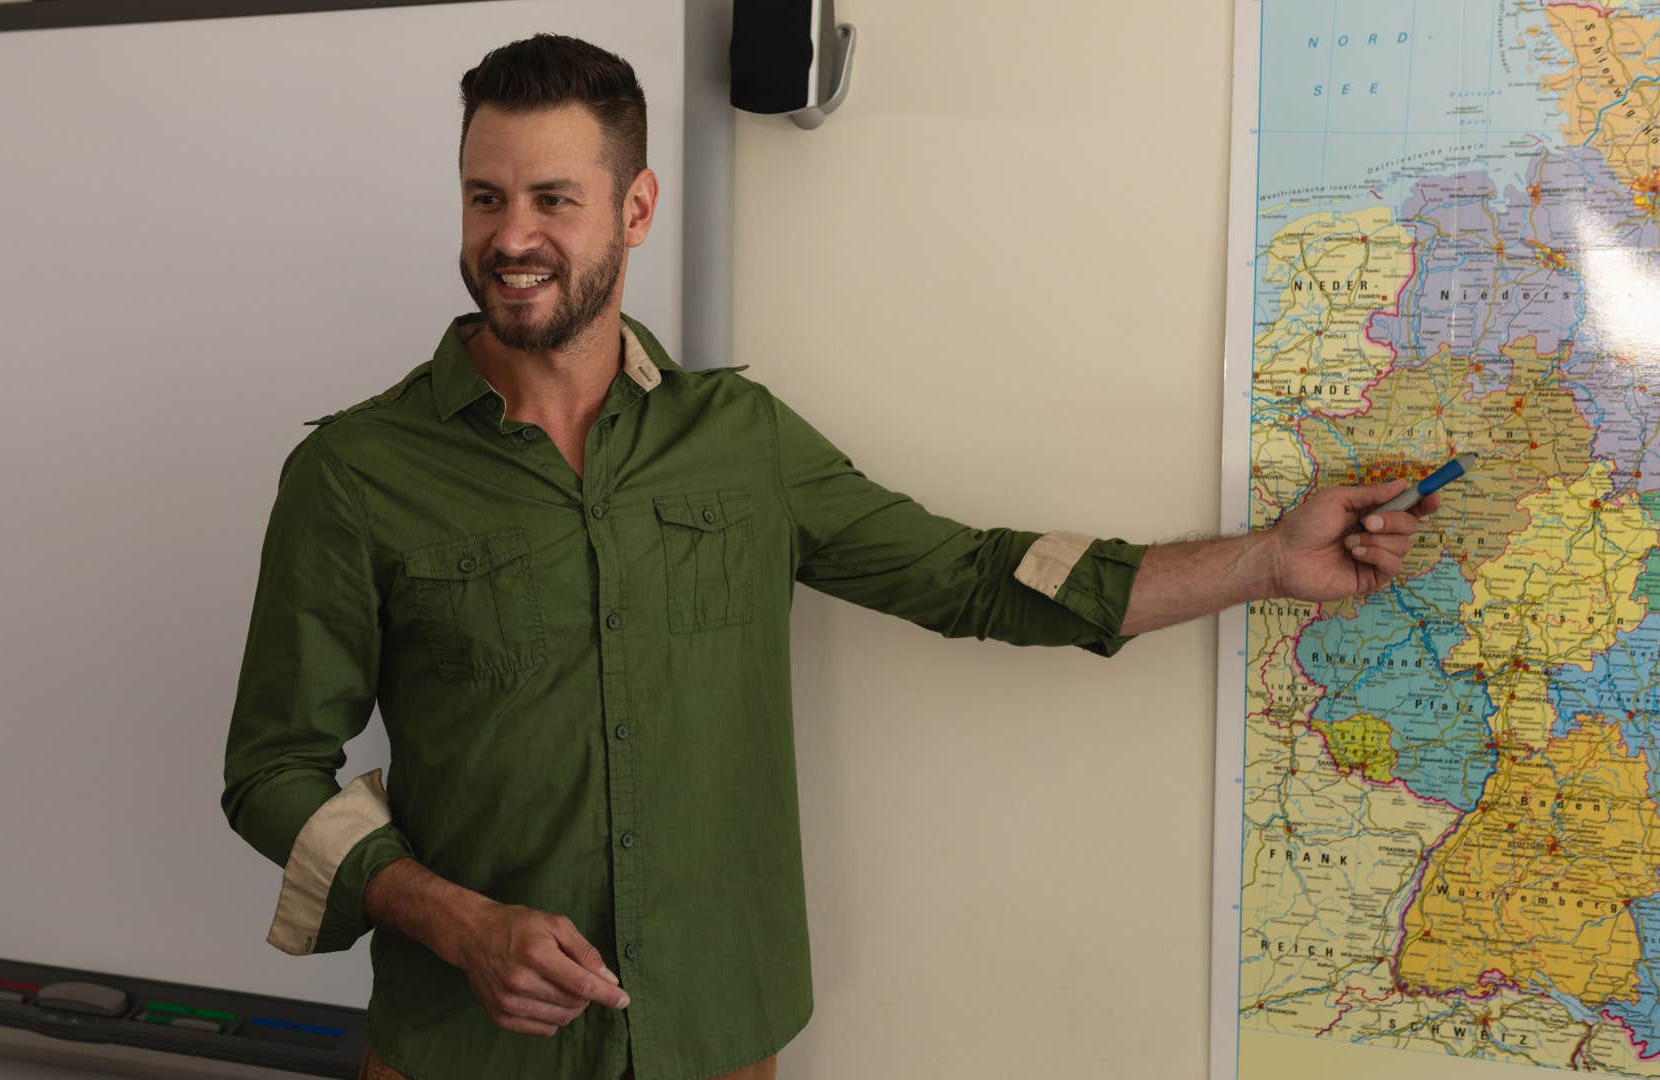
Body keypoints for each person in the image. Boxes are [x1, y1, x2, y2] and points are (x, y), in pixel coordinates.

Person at [220, 34, 1438, 1080]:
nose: (513, 237)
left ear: (635, 210)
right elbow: (272, 770)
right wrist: (457, 920)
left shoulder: (740, 443)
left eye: (553, 199)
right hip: (457, 1053)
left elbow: (972, 576)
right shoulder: (355, 473)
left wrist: (1271, 562)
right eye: (486, 199)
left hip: (719, 1036)